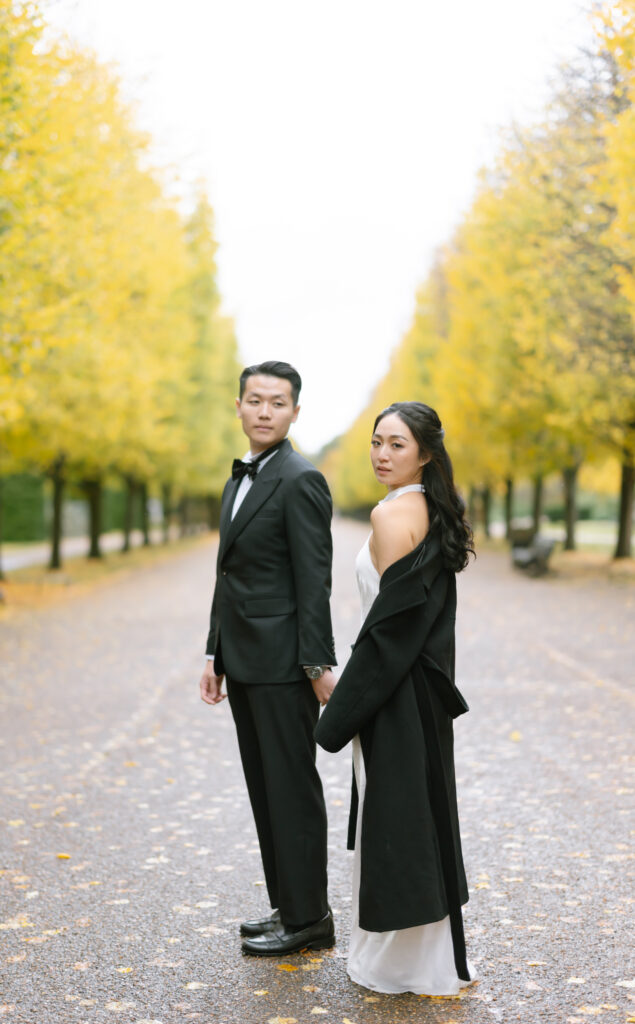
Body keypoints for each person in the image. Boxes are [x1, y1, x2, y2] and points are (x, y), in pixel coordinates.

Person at [315, 401, 476, 995]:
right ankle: (425, 960)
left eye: (397, 444)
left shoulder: (392, 518)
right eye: (377, 442)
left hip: (396, 692)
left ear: (426, 453)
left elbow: (389, 633)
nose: (382, 454)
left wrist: (340, 712)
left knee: (396, 815)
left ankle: (396, 965)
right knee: (418, 813)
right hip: (420, 690)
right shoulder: (431, 508)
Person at [200, 360, 337, 956]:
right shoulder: (239, 479)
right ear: (238, 407)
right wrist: (215, 651)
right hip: (245, 659)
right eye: (254, 400)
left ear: (295, 413)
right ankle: (290, 905)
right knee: (265, 789)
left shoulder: (301, 479)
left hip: (284, 666)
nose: (263, 411)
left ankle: (310, 919)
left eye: (276, 403)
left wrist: (316, 665)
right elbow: (227, 574)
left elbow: (315, 581)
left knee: (291, 789)